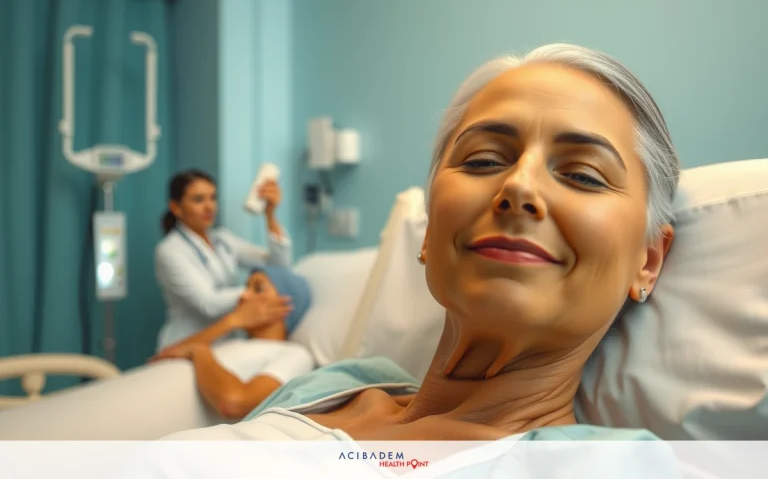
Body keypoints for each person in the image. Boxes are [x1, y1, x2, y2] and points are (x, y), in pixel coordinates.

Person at [117, 43, 682, 474]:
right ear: (431, 231)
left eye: (582, 174)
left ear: (649, 261)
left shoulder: (610, 464)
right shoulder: (336, 385)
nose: (518, 187)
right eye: (484, 160)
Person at [154, 169, 292, 351]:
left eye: (212, 198)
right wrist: (256, 291)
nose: (209, 206)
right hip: (188, 343)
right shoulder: (169, 250)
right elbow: (208, 304)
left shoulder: (222, 239)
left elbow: (278, 264)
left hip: (227, 341)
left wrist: (270, 214)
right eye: (198, 200)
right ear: (176, 207)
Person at [151, 266, 315, 419]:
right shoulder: (231, 342)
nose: (243, 296)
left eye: (258, 288)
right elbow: (158, 361)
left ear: (286, 306)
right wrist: (231, 321)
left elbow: (235, 403)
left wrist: (199, 351)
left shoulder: (295, 354)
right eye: (246, 288)